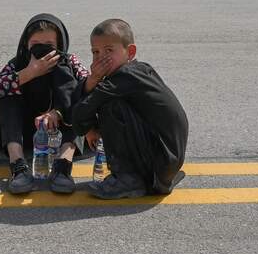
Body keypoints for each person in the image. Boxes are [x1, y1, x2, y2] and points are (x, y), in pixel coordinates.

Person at [73, 19, 188, 199]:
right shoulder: (140, 71)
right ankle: (146, 178)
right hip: (166, 162)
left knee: (109, 105)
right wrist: (92, 81)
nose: (101, 57)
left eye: (109, 50)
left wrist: (89, 127)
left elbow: (79, 114)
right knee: (106, 100)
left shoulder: (124, 76)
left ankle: (128, 180)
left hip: (160, 162)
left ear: (130, 52)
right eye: (96, 52)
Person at [0, 14, 90, 194]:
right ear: (26, 44)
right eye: (36, 44)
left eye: (49, 45)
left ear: (59, 46)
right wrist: (29, 72)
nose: (42, 49)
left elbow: (89, 87)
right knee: (8, 91)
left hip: (60, 131)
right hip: (25, 131)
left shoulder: (69, 61)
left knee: (78, 97)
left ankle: (63, 166)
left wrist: (58, 112)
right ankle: (18, 167)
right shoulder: (18, 63)